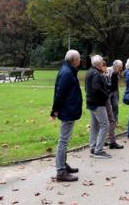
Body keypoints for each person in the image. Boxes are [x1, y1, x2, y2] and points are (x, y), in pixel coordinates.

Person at [50, 50, 83, 182]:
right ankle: (61, 171)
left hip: (69, 109)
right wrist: (54, 110)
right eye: (79, 58)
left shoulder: (68, 70)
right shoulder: (67, 72)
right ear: (74, 60)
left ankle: (63, 165)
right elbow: (59, 93)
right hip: (67, 111)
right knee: (63, 141)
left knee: (65, 140)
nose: (80, 60)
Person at [85, 55, 111, 159]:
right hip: (98, 103)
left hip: (91, 102)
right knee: (105, 124)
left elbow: (88, 87)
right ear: (99, 64)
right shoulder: (97, 74)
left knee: (94, 126)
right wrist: (105, 94)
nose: (103, 64)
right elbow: (96, 88)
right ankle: (98, 150)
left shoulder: (89, 72)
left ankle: (93, 147)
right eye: (102, 63)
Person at [106, 60, 124, 149]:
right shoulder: (108, 71)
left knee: (115, 108)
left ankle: (114, 122)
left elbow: (116, 84)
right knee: (108, 116)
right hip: (108, 94)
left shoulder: (118, 73)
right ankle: (107, 139)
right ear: (115, 66)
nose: (121, 68)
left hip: (114, 93)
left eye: (122, 67)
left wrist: (117, 95)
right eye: (120, 67)